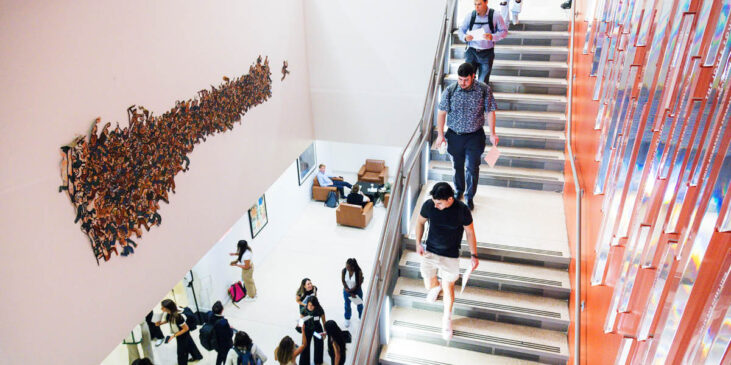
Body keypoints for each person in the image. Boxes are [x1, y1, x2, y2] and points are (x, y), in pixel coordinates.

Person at [414, 182, 480, 340]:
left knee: (448, 286)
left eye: (439, 203)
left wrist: (474, 255)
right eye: (435, 202)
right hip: (430, 251)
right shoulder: (429, 205)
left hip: (450, 255)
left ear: (450, 199)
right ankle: (436, 288)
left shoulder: (462, 210)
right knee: (429, 284)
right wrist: (418, 243)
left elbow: (470, 232)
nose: (436, 206)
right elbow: (420, 222)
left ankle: (447, 319)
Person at [436, 62, 498, 210]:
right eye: (460, 79)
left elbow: (490, 111)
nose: (462, 83)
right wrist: (440, 135)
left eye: (466, 80)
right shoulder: (450, 90)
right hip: (454, 135)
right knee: (457, 166)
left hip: (474, 136)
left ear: (473, 77)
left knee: (472, 167)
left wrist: (493, 133)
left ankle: (470, 197)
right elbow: (441, 112)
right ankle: (459, 191)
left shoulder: (484, 90)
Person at [458, 0, 508, 84]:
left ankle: (481, 97)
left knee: (483, 82)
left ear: (486, 2)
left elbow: (504, 31)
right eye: (475, 4)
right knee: (467, 81)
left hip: (487, 53)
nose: (476, 7)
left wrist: (493, 36)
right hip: (471, 52)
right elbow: (461, 31)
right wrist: (465, 37)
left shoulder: (496, 15)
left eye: (479, 4)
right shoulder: (470, 15)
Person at [155, 299, 204, 364]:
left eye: (163, 307)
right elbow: (169, 320)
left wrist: (173, 336)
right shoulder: (169, 313)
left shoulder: (178, 317)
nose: (161, 309)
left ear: (167, 308)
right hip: (180, 332)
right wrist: (161, 323)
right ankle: (197, 356)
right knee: (190, 344)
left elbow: (186, 328)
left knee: (181, 353)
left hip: (182, 334)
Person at [299, 296, 327, 365]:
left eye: (312, 305)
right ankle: (304, 363)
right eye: (309, 305)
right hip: (307, 329)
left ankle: (318, 361)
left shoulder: (319, 310)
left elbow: (324, 322)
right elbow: (301, 321)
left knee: (319, 345)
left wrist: (325, 332)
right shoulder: (304, 310)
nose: (310, 307)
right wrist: (301, 329)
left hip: (317, 329)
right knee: (305, 345)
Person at [341, 258, 364, 328]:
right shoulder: (344, 271)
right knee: (347, 305)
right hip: (347, 291)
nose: (346, 267)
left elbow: (358, 284)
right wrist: (347, 289)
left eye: (348, 266)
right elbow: (343, 281)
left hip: (356, 291)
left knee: (359, 305)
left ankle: (361, 317)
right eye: (346, 265)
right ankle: (347, 318)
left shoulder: (358, 272)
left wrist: (352, 292)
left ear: (352, 267)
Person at [210, 301, 234, 365]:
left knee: (220, 355)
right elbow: (230, 334)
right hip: (224, 345)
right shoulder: (223, 322)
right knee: (226, 358)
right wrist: (230, 328)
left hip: (215, 342)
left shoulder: (210, 316)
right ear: (222, 310)